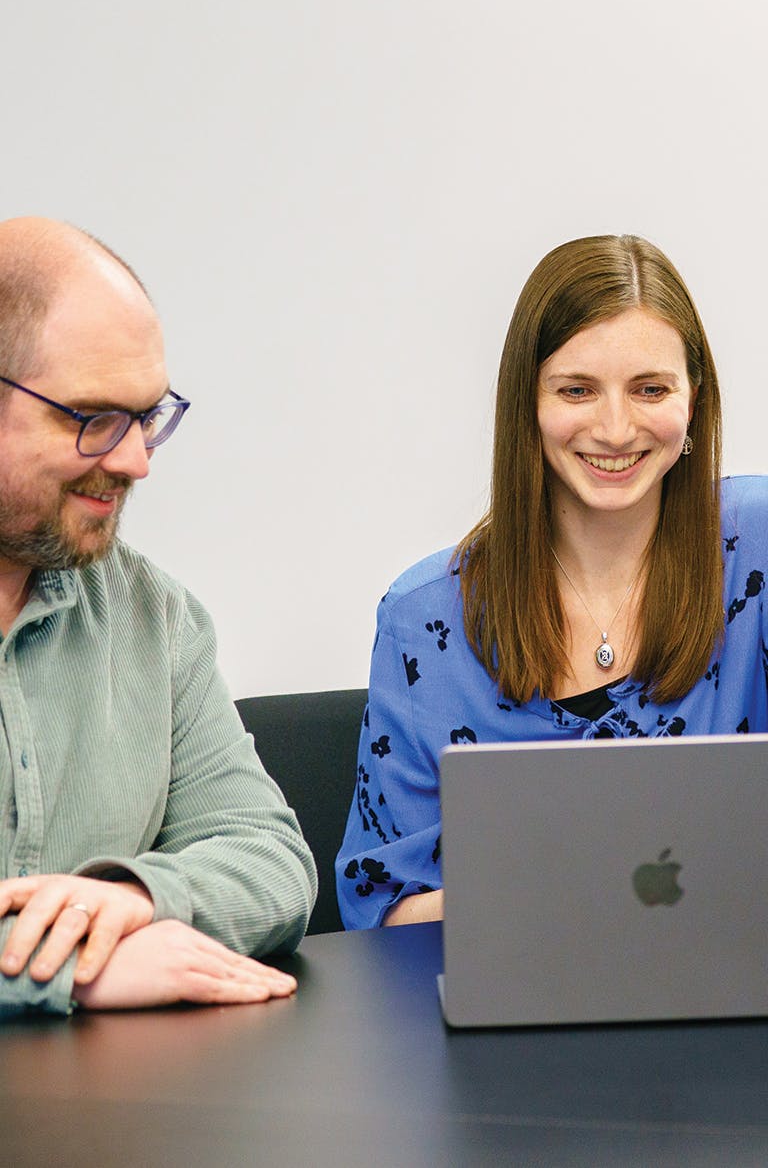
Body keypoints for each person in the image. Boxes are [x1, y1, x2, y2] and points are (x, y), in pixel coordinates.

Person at [336, 233, 768, 929]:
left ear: (693, 402)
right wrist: (589, 898)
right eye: (577, 390)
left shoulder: (758, 550)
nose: (616, 428)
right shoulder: (424, 618)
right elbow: (384, 909)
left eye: (650, 389)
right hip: (512, 992)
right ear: (527, 406)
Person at [0, 217, 317, 1015]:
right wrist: (63, 970)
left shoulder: (155, 617)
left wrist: (135, 898)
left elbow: (272, 861)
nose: (136, 460)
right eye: (92, 419)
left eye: (145, 417)